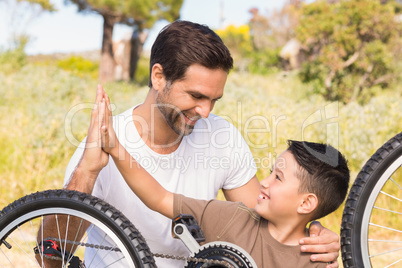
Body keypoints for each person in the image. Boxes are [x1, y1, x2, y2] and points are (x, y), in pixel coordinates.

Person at [61, 20, 341, 267]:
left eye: (214, 100)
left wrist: (312, 230)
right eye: (196, 95)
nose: (206, 112)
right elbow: (50, 256)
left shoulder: (223, 136)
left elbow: (265, 221)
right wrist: (87, 172)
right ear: (158, 77)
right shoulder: (104, 141)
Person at [96, 92, 350, 267]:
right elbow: (159, 197)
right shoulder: (231, 217)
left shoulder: (316, 258)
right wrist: (116, 148)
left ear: (306, 204)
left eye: (278, 178)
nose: (264, 181)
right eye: (271, 172)